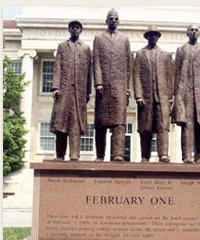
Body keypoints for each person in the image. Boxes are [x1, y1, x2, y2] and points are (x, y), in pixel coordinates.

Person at [50, 20, 91, 161]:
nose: (75, 29)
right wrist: (56, 88)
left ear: (81, 30)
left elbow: (88, 71)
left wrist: (87, 91)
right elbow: (57, 67)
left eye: (77, 27)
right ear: (69, 29)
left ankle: (74, 154)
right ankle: (60, 154)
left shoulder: (85, 48)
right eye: (73, 27)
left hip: (78, 93)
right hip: (64, 91)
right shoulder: (62, 46)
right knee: (61, 123)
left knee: (75, 124)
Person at [93, 9, 131, 162]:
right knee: (100, 123)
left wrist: (128, 88)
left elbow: (129, 65)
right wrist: (98, 82)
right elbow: (96, 61)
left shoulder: (124, 39)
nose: (113, 20)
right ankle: (100, 155)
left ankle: (118, 154)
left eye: (116, 18)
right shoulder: (99, 38)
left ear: (119, 21)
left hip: (119, 87)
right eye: (110, 18)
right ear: (106, 21)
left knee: (119, 123)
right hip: (103, 87)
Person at [171, 25, 200, 164]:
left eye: (196, 30)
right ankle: (187, 156)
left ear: (199, 33)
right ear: (187, 33)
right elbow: (176, 73)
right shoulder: (181, 50)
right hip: (185, 94)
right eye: (191, 30)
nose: (194, 32)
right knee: (187, 125)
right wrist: (175, 94)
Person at [134, 26, 173, 163]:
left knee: (163, 126)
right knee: (146, 127)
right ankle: (145, 156)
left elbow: (169, 77)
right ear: (147, 37)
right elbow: (137, 75)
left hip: (162, 97)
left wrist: (170, 96)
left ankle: (163, 154)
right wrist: (138, 95)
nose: (153, 37)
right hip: (145, 97)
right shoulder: (140, 54)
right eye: (151, 35)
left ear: (158, 37)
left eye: (155, 35)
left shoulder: (165, 55)